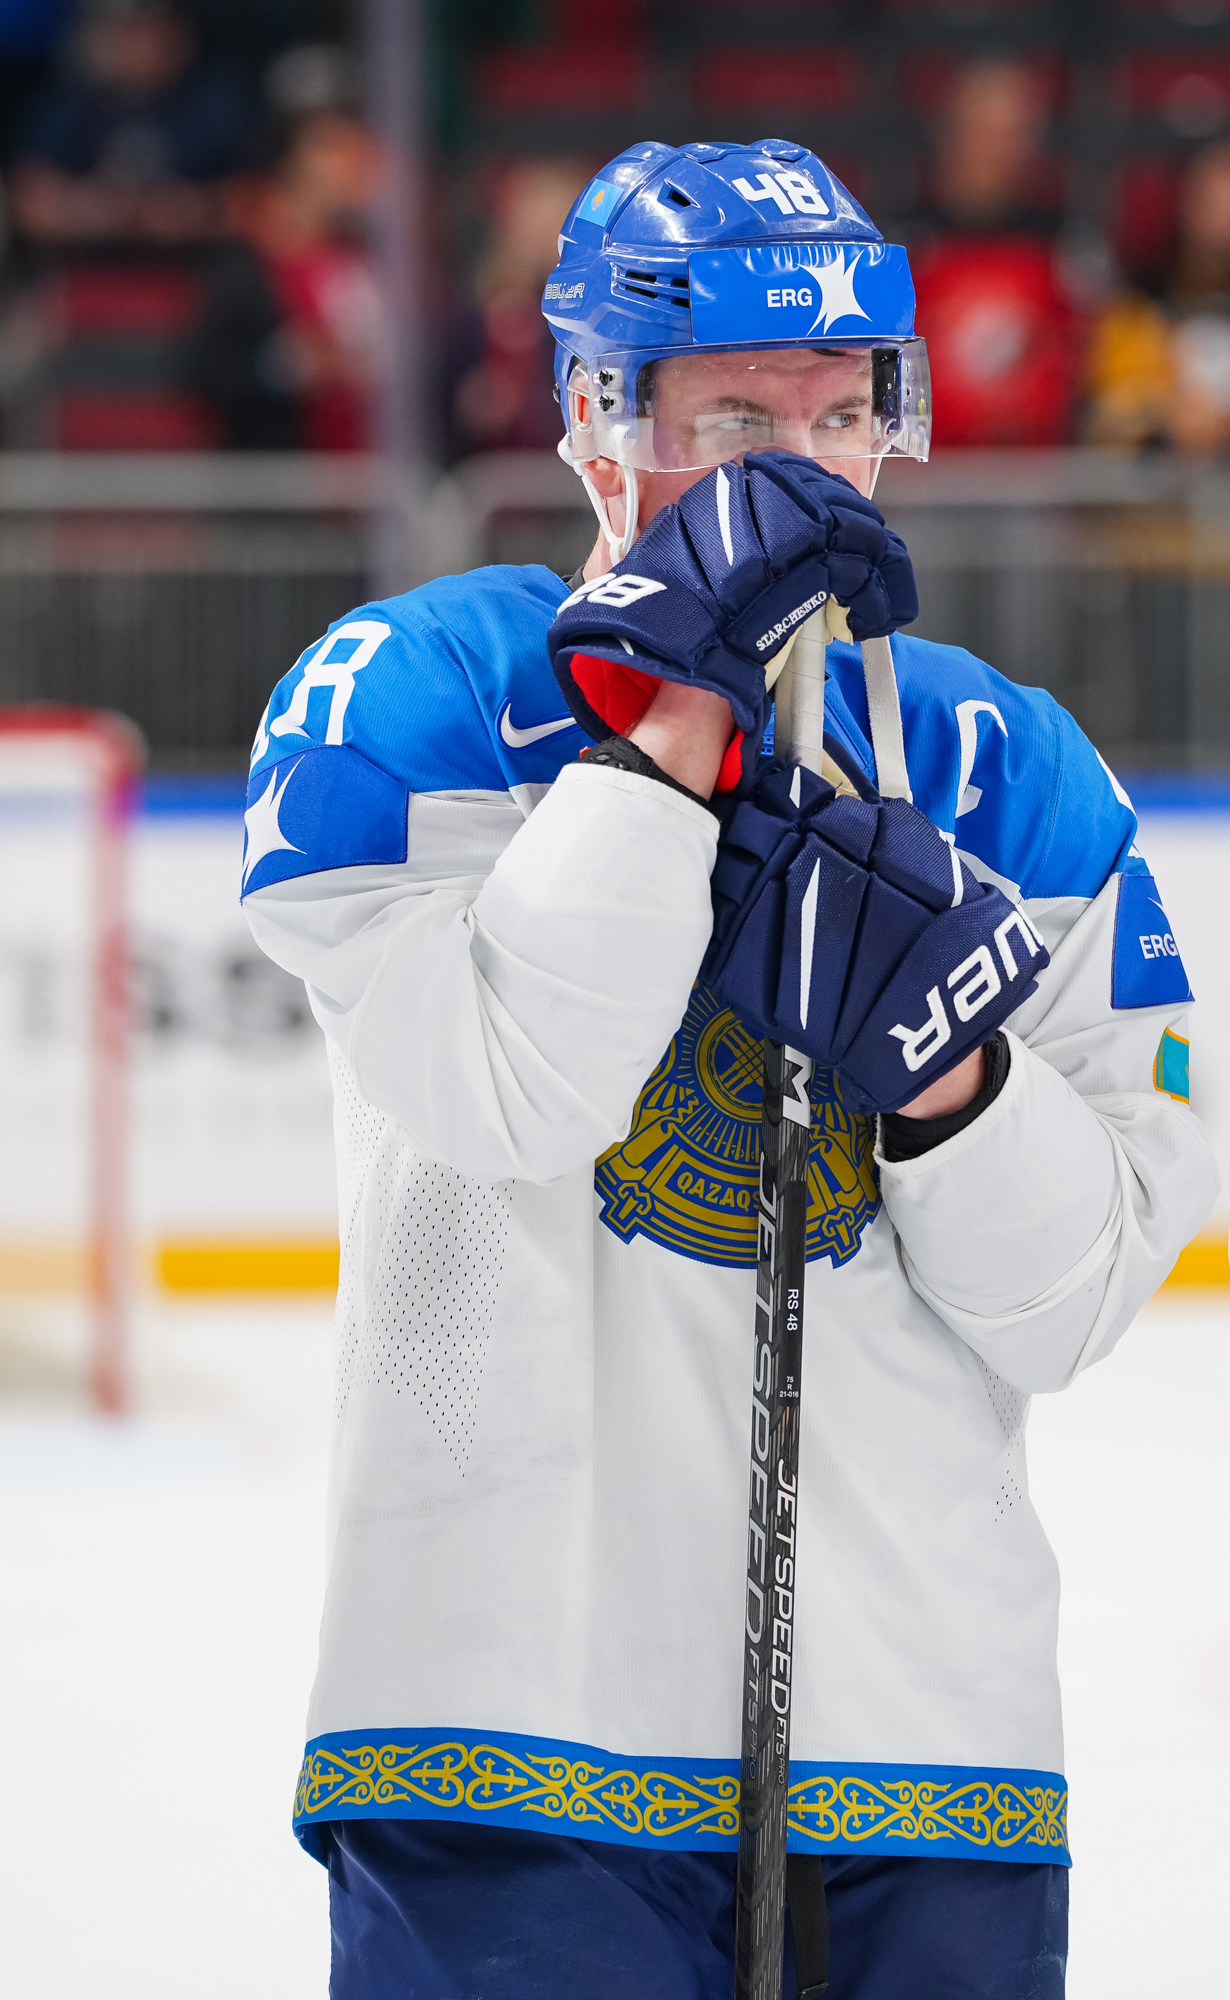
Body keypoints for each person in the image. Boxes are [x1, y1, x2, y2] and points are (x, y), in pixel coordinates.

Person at [240, 140, 1217, 1997]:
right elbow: (515, 1092)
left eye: (841, 415)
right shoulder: (418, 700)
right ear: (598, 422)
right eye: (738, 421)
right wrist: (669, 727)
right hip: (500, 1726)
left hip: (932, 1753)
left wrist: (949, 1085)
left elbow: (1071, 1307)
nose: (804, 474)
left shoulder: (1011, 772)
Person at [907, 58, 1080, 447]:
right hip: (923, 470)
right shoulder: (901, 249)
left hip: (1044, 470)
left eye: (1013, 134)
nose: (997, 150)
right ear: (950, 133)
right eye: (983, 131)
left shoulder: (1065, 250)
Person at [8, 0, 254, 249]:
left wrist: (194, 210)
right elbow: (27, 200)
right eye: (128, 31)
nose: (142, 47)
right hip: (85, 263)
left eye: (155, 32)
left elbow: (258, 201)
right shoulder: (69, 103)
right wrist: (88, 209)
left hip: (194, 263)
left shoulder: (216, 105)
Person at [1086, 139, 1230, 454]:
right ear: (1186, 204)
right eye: (1213, 204)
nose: (1223, 225)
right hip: (1161, 477)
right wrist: (1165, 415)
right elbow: (1108, 422)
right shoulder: (1137, 310)